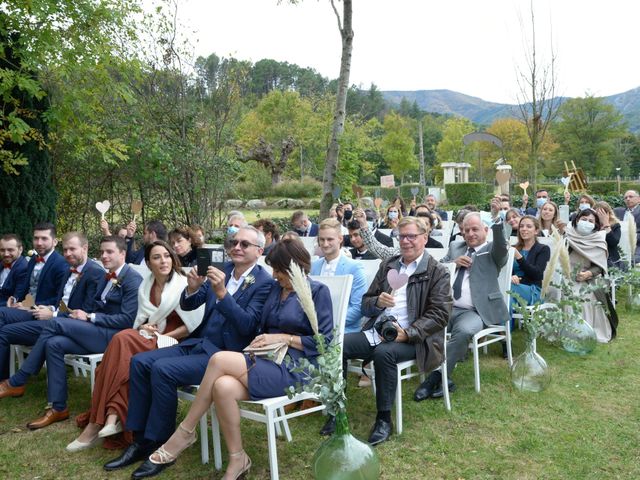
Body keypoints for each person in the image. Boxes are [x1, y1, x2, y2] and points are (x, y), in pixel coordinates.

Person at [129, 239, 333, 480]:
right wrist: (261, 340)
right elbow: (256, 325)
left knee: (219, 360)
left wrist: (285, 338)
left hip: (295, 367)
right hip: (265, 359)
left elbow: (324, 342)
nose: (274, 275)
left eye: (278, 270)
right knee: (222, 386)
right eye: (273, 270)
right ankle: (238, 459)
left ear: (295, 267)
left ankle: (184, 433)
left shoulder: (318, 292)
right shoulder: (277, 289)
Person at [104, 226, 272, 475]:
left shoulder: (264, 283)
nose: (236, 247)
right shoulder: (221, 269)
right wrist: (192, 288)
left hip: (225, 356)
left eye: (244, 244)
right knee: (139, 362)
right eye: (233, 242)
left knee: (162, 369)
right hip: (199, 343)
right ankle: (141, 440)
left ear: (259, 250)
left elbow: (248, 326)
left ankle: (162, 443)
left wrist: (223, 294)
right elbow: (190, 303)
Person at [321, 217, 451, 445]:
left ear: (425, 238)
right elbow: (365, 303)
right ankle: (336, 411)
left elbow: (440, 314)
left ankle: (383, 419)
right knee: (337, 345)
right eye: (402, 236)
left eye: (412, 236)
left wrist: (409, 333)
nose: (406, 241)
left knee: (384, 354)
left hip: (416, 339)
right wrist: (378, 302)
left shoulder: (436, 271)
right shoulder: (389, 264)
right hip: (378, 331)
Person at [66, 241, 204, 452]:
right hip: (150, 339)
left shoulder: (185, 283)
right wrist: (146, 328)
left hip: (177, 343)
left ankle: (99, 423)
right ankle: (112, 418)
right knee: (124, 348)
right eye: (157, 257)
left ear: (173, 258)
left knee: (122, 340)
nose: (163, 261)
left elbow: (191, 326)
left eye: (167, 256)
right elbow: (141, 321)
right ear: (148, 263)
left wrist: (160, 335)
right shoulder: (146, 285)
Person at [0, 236, 142, 429]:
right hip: (94, 331)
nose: (104, 256)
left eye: (109, 252)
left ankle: (19, 379)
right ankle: (58, 408)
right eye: (102, 252)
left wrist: (90, 317)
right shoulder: (106, 276)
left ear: (123, 253)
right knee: (54, 343)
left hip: (113, 337)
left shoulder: (133, 279)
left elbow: (127, 320)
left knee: (54, 324)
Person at [414, 208, 509, 400]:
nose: (470, 234)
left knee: (464, 331)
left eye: (475, 229)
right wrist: (453, 264)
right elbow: (435, 269)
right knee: (423, 324)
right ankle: (441, 378)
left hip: (475, 311)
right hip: (447, 307)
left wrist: (498, 220)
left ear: (485, 230)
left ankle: (436, 377)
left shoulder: (492, 250)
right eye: (466, 230)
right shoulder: (456, 246)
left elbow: (501, 247)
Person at [0, 232, 104, 381]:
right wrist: (46, 308)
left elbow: (85, 312)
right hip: (51, 315)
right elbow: (58, 301)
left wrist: (52, 315)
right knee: (3, 325)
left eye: (72, 249)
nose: (67, 254)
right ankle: (7, 379)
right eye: (66, 250)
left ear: (85, 248)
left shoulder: (95, 273)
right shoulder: (69, 269)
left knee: (4, 330)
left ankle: (17, 380)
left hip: (67, 326)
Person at [0, 222, 68, 328]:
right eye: (36, 238)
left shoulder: (62, 263)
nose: (39, 243)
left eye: (44, 239)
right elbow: (25, 287)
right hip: (24, 309)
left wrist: (29, 306)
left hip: (41, 312)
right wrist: (15, 299)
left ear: (54, 242)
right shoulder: (32, 260)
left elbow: (59, 297)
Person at [565, 208, 617, 342]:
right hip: (565, 276)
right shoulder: (566, 235)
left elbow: (600, 266)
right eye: (584, 219)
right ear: (577, 220)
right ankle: (568, 333)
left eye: (590, 221)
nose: (587, 222)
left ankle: (586, 332)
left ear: (595, 224)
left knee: (587, 295)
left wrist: (588, 273)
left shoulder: (599, 239)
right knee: (568, 293)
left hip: (587, 278)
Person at [311, 218, 367, 333]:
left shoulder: (354, 267)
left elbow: (358, 308)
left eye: (330, 239)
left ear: (340, 239)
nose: (325, 244)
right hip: (314, 329)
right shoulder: (314, 266)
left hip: (344, 329)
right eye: (322, 239)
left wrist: (328, 323)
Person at [510, 216, 550, 309]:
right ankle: (508, 324)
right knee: (509, 299)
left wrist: (519, 257)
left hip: (533, 290)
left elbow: (537, 274)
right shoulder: (513, 248)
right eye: (522, 226)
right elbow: (505, 270)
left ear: (536, 231)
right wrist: (511, 277)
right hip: (514, 286)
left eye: (528, 226)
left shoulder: (543, 249)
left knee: (507, 290)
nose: (524, 229)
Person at [0, 234, 28, 308]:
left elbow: (16, 299)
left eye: (10, 250)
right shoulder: (2, 263)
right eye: (2, 250)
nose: (6, 254)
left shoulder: (24, 269)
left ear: (20, 250)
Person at [614, 190, 640, 263]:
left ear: (639, 199)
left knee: (630, 261)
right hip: (618, 244)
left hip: (636, 245)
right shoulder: (618, 211)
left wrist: (630, 237)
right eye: (625, 198)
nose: (628, 199)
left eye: (631, 197)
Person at [595, 201, 623, 269]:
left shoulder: (615, 225)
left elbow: (613, 242)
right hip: (595, 257)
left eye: (602, 213)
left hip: (611, 259)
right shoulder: (593, 225)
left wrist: (606, 224)